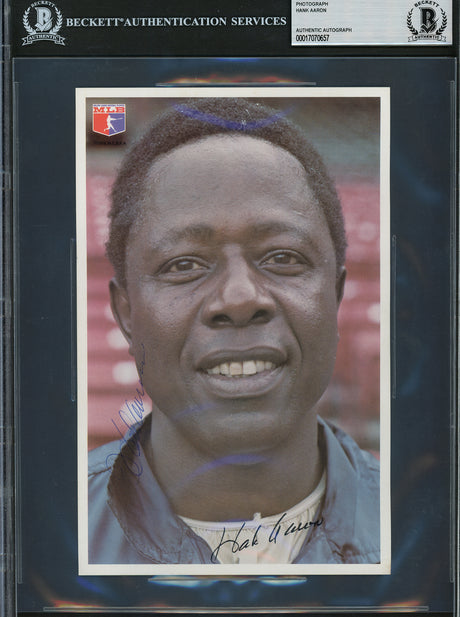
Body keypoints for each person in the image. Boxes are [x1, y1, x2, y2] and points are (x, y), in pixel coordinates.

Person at [88, 98, 380, 565]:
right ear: (126, 314)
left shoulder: (431, 526)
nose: (240, 298)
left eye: (283, 257)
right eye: (183, 264)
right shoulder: (40, 530)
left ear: (336, 294)